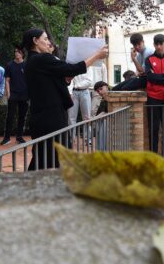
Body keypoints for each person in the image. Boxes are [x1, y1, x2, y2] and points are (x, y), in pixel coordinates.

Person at [22, 28, 108, 170]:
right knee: (51, 156)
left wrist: (69, 76)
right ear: (35, 41)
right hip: (50, 117)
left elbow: (59, 79)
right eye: (45, 39)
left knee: (45, 156)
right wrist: (97, 55)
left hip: (46, 115)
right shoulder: (40, 59)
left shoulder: (34, 61)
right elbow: (72, 68)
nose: (48, 43)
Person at [1, 45, 29, 145]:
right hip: (13, 94)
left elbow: (29, 80)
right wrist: (8, 93)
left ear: (23, 54)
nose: (17, 53)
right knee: (10, 116)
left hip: (24, 94)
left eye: (19, 52)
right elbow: (7, 80)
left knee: (22, 116)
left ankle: (19, 137)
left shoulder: (26, 65)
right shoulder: (9, 65)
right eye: (15, 51)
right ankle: (6, 137)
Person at [92, 81, 110, 151]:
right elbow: (104, 112)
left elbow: (105, 113)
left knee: (104, 123)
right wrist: (92, 119)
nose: (99, 92)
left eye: (101, 89)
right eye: (98, 91)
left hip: (111, 122)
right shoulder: (104, 99)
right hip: (105, 121)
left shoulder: (113, 94)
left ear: (106, 87)